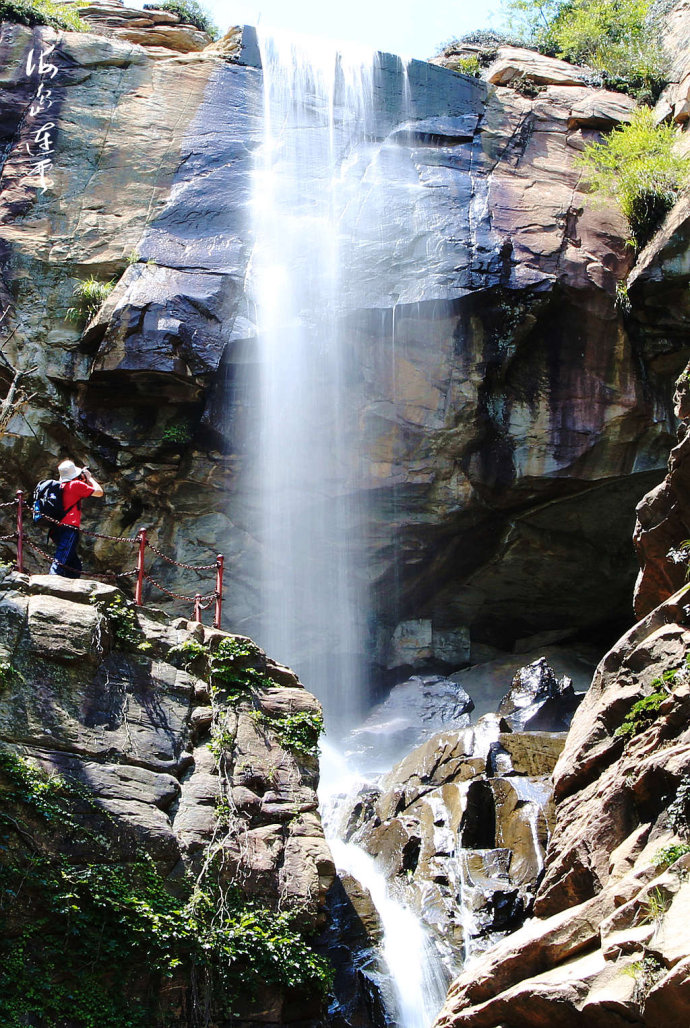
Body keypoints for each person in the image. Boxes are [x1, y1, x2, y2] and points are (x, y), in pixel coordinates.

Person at [49, 459, 104, 578]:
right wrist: (89, 478)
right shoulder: (75, 485)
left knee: (74, 565)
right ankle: (51, 582)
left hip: (56, 528)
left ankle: (71, 585)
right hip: (68, 527)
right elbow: (99, 492)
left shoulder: (61, 486)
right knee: (61, 559)